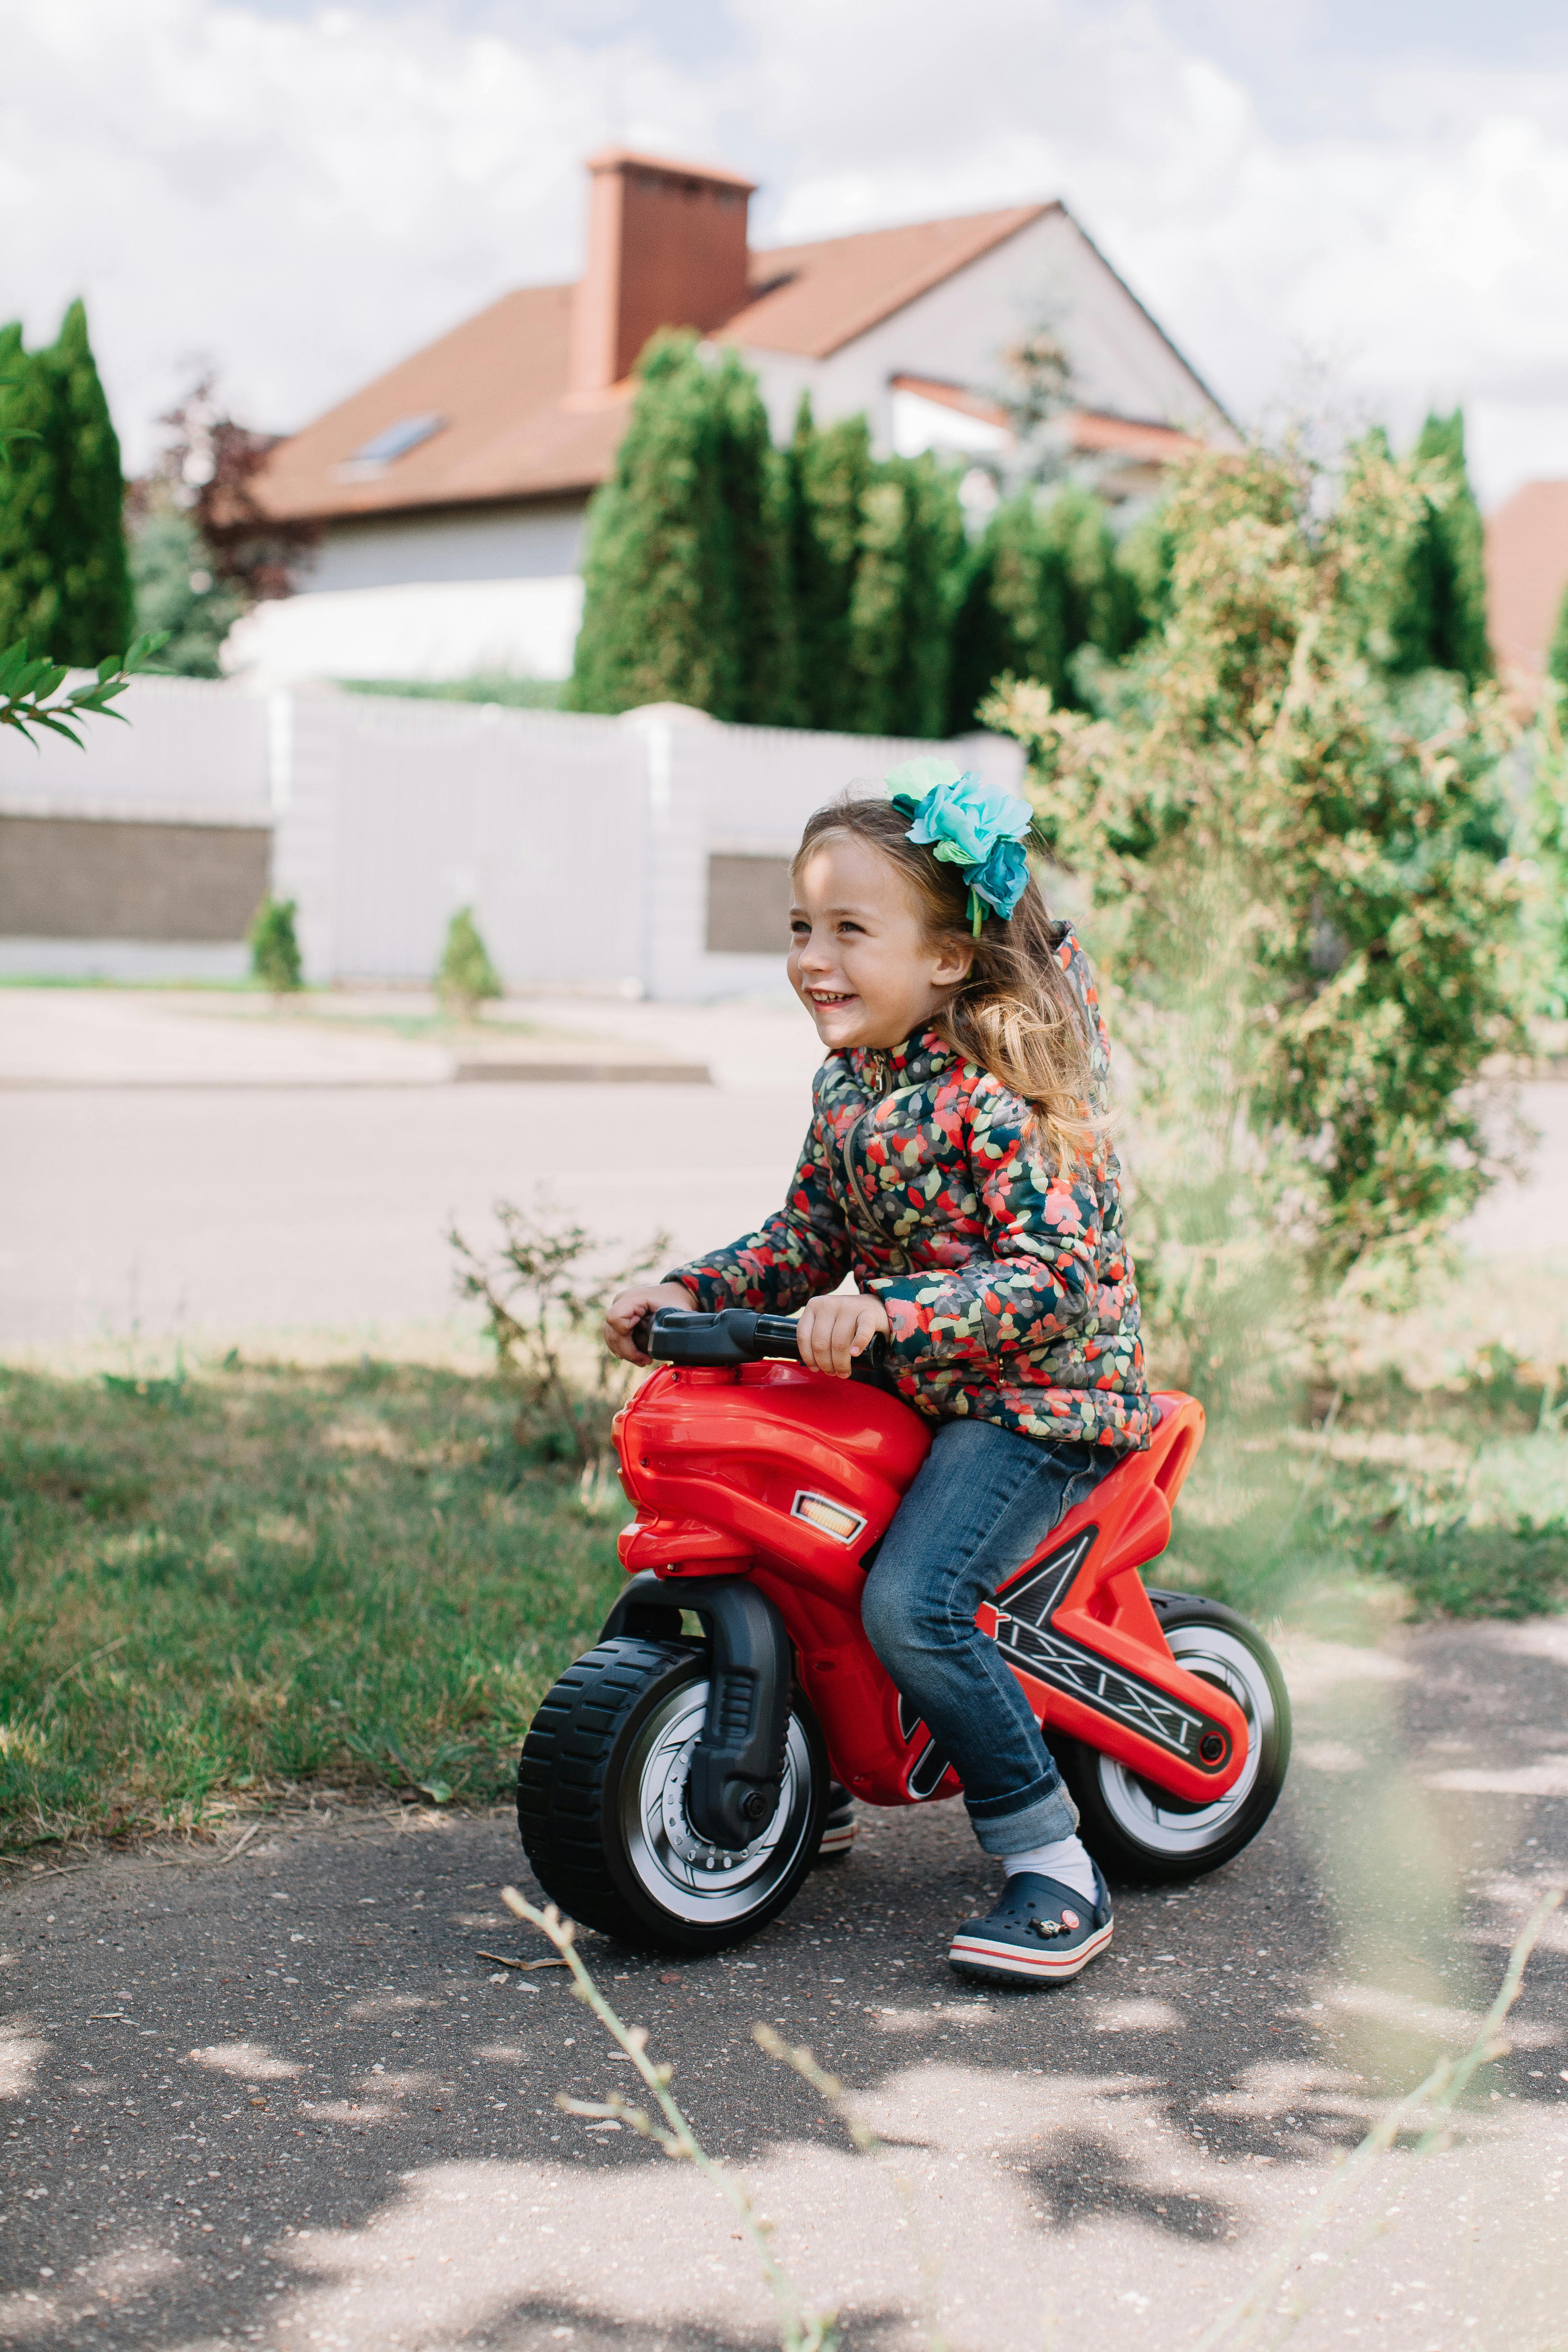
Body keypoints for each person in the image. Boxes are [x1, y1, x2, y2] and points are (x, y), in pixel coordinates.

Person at [605, 759, 1151, 1987]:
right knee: (792, 1547)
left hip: (1041, 1402)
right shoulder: (849, 1081)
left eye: (852, 930)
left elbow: (1057, 1268)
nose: (813, 957)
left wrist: (886, 1311)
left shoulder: (1003, 1090)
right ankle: (794, 1769)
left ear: (949, 957)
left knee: (914, 1600)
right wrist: (692, 1289)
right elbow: (807, 1236)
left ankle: (1052, 1858)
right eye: (802, 926)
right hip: (918, 1386)